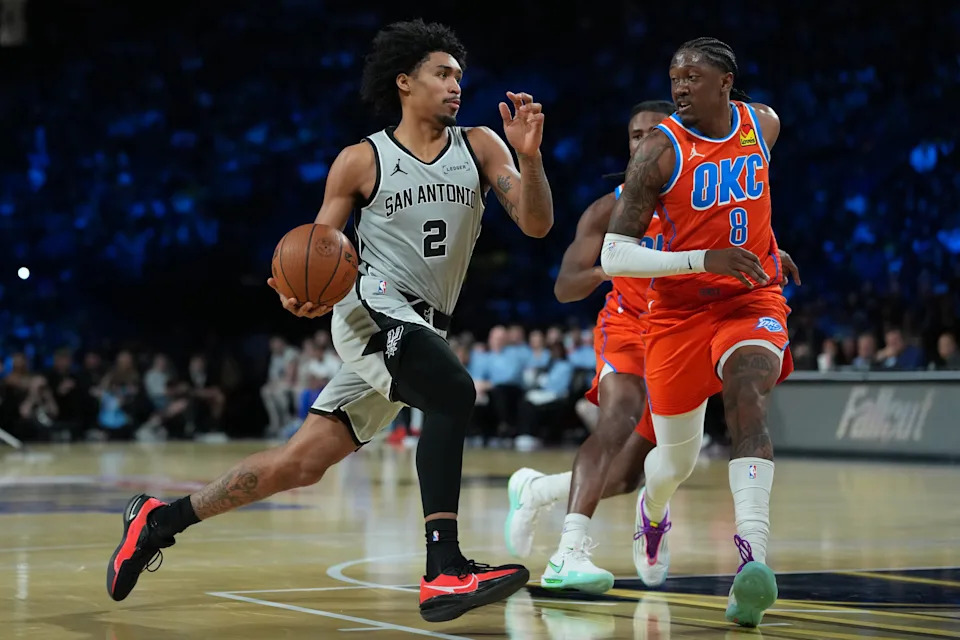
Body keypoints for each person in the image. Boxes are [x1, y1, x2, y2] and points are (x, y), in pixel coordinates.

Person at [106, 19, 555, 624]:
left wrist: (529, 160)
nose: (456, 86)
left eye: (459, 77)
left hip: (424, 328)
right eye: (442, 74)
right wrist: (302, 295)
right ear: (405, 81)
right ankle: (444, 569)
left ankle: (158, 521)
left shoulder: (481, 146)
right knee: (453, 391)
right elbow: (320, 248)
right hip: (373, 309)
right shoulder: (361, 160)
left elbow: (536, 224)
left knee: (300, 465)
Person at [504, 101, 800, 596]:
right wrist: (616, 266)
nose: (642, 142)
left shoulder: (702, 181)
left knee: (627, 477)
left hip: (689, 326)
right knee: (617, 419)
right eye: (634, 135)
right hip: (628, 328)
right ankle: (568, 552)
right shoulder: (610, 208)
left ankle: (538, 491)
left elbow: (742, 227)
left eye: (651, 133)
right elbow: (564, 287)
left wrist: (772, 253)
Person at [600, 37, 793, 627]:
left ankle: (751, 561)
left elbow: (751, 204)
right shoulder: (659, 151)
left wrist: (771, 250)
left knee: (747, 396)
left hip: (750, 297)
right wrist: (703, 260)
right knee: (672, 464)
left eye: (692, 77)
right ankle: (651, 511)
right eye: (674, 77)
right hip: (679, 314)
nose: (679, 87)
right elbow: (613, 255)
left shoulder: (763, 125)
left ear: (726, 82)